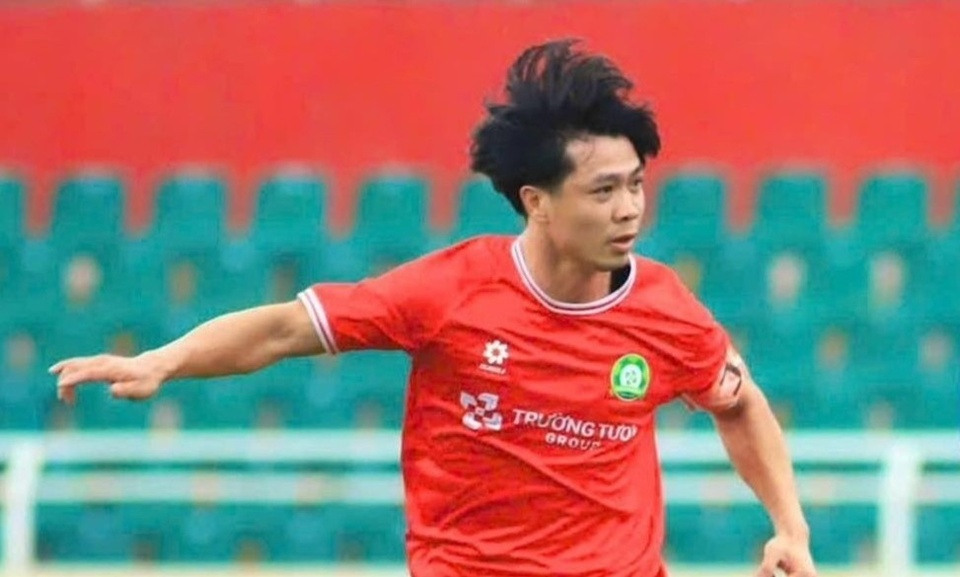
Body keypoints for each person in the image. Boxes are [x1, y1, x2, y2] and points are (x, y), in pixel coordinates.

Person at [52, 39, 817, 577]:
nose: (629, 208)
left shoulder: (667, 312)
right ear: (537, 201)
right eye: (604, 190)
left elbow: (738, 402)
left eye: (636, 184)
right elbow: (285, 328)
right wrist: (165, 360)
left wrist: (790, 526)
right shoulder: (450, 291)